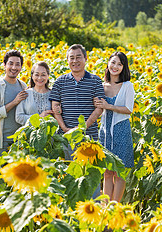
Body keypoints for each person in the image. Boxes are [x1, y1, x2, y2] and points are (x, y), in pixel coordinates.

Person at [49, 44, 105, 198]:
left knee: (91, 174)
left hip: (89, 137)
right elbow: (55, 106)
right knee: (70, 175)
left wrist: (83, 128)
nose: (75, 61)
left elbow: (99, 108)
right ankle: (72, 210)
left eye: (78, 57)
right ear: (67, 60)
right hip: (66, 137)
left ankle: (93, 208)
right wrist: (66, 128)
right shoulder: (60, 81)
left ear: (85, 59)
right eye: (71, 58)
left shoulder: (95, 80)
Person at [94, 51, 135, 203]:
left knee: (119, 172)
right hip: (105, 131)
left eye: (119, 64)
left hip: (121, 130)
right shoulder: (101, 85)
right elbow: (98, 108)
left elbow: (128, 109)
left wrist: (108, 106)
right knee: (107, 172)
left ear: (123, 68)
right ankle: (105, 208)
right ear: (108, 64)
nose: (115, 66)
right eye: (113, 62)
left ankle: (114, 206)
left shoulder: (127, 86)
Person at [0, 50, 28, 160]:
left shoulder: (23, 85)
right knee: (1, 175)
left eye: (17, 64)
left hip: (19, 142)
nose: (14, 67)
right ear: (4, 65)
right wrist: (14, 102)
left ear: (21, 67)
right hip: (2, 142)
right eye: (11, 63)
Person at [15, 61, 53, 126]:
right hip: (30, 134)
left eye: (43, 75)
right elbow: (18, 117)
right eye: (37, 74)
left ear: (48, 76)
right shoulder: (25, 94)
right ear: (32, 76)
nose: (40, 78)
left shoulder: (53, 94)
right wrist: (39, 117)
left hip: (49, 134)